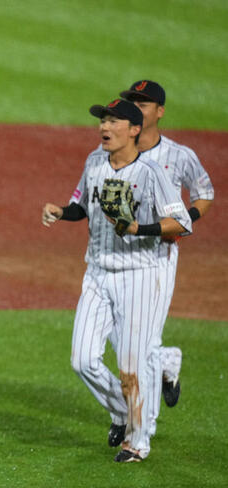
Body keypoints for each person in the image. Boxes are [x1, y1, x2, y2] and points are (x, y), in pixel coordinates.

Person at [41, 98, 192, 462]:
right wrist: (62, 212)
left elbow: (182, 223)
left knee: (131, 365)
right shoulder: (94, 161)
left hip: (138, 276)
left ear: (134, 129)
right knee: (82, 360)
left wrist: (141, 228)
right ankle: (124, 412)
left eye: (113, 121)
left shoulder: (150, 173)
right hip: (96, 273)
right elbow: (82, 205)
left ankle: (138, 441)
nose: (104, 128)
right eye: (102, 121)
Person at [118, 80, 215, 410]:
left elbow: (205, 192)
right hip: (118, 255)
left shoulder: (178, 155)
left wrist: (185, 219)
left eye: (144, 104)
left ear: (160, 112)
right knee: (118, 335)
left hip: (159, 255)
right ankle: (167, 360)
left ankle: (140, 427)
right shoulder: (114, 152)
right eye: (133, 102)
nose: (137, 108)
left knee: (142, 342)